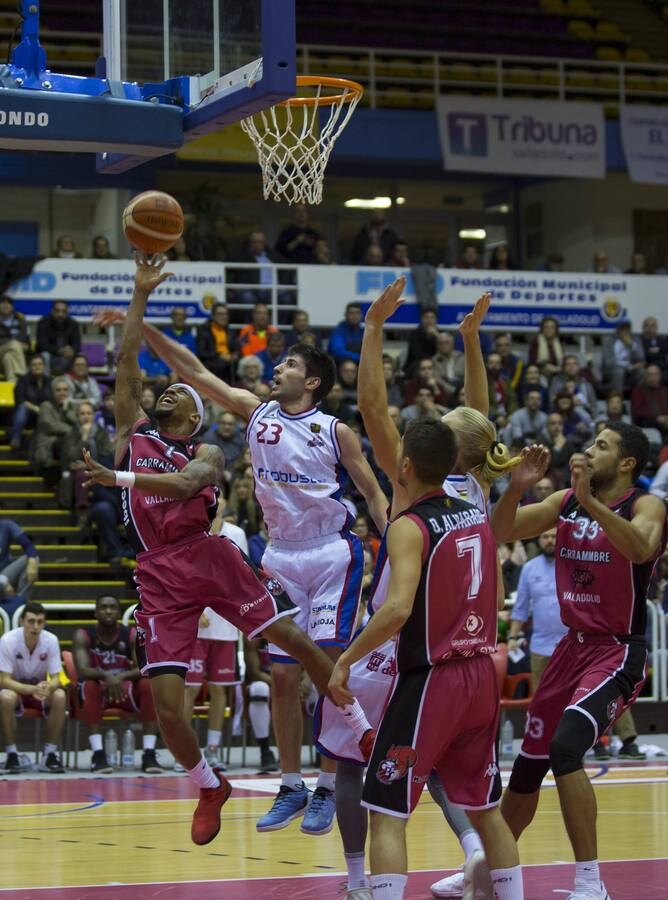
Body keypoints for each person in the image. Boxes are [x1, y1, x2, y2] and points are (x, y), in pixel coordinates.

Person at [91, 255, 377, 845]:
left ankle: (352, 741)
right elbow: (154, 367)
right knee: (213, 693)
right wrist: (138, 310)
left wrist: (397, 542)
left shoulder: (217, 452)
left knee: (308, 649)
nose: (173, 390)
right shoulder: (146, 432)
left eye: (290, 362)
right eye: (166, 390)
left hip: (272, 553)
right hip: (195, 567)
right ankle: (232, 783)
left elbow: (190, 484)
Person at [317, 282, 520, 900]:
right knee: (482, 804)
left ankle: (360, 872)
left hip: (410, 659)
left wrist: (374, 330)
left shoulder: (414, 502)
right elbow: (477, 416)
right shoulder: (477, 489)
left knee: (381, 793)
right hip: (479, 665)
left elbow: (375, 411)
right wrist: (470, 340)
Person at [491, 425, 667, 900]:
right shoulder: (566, 500)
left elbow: (640, 548)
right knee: (527, 768)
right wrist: (519, 487)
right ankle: (489, 868)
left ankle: (591, 881)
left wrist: (590, 502)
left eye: (602, 447)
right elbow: (501, 530)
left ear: (627, 463)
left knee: (565, 748)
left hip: (616, 649)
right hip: (571, 647)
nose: (589, 450)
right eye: (590, 443)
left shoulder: (645, 506)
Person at [72, 595, 161, 773]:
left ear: (119, 612)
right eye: (103, 607)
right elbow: (81, 670)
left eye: (112, 607)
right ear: (96, 612)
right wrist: (106, 676)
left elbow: (144, 668)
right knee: (90, 685)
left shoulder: (131, 634)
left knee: (147, 685)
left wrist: (119, 678)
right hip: (98, 691)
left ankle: (149, 753)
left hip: (124, 689)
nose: (108, 611)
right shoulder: (83, 634)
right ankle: (98, 755)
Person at [0, 602, 66, 773]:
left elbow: (57, 679)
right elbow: (4, 680)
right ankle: (12, 755)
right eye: (31, 621)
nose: (35, 626)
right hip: (16, 691)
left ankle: (49, 755)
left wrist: (48, 686)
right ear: (22, 621)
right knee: (5, 697)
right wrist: (31, 689)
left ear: (44, 623)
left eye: (40, 621)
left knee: (59, 695)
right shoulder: (7, 640)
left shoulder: (51, 640)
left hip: (39, 693)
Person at [508, 528, 567, 691]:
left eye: (554, 536)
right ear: (539, 540)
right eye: (545, 537)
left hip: (570, 646)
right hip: (540, 647)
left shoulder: (574, 566)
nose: (549, 540)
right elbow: (521, 608)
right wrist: (512, 637)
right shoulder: (529, 568)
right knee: (541, 701)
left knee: (571, 700)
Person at [30, 377, 79, 471]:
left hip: (70, 442)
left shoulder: (72, 406)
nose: (62, 392)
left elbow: (78, 423)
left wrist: (66, 411)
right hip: (50, 443)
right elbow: (50, 426)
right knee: (69, 440)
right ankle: (66, 473)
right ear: (53, 392)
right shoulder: (45, 406)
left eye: (65, 390)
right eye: (58, 390)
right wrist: (72, 430)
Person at [9, 355, 51, 450]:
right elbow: (20, 400)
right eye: (34, 365)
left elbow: (52, 400)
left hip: (44, 414)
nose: (37, 367)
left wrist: (44, 409)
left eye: (40, 364)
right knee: (22, 408)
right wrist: (36, 408)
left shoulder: (49, 381)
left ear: (44, 366)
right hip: (27, 416)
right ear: (29, 367)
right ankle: (15, 438)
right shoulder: (23, 380)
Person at [0, 518, 39, 615]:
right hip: (2, 580)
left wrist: (32, 560)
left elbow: (28, 545)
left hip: (4, 573)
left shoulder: (6, 525)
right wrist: (3, 582)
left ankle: (21, 605)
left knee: (32, 559)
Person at [35, 300, 82, 376]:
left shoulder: (73, 324)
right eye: (57, 311)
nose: (60, 314)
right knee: (45, 355)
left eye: (64, 312)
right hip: (49, 355)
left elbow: (77, 344)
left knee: (79, 357)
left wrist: (72, 351)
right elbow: (42, 344)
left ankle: (72, 384)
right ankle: (46, 382)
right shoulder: (43, 322)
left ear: (67, 313)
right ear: (52, 311)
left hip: (66, 356)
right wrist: (59, 350)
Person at [196, 303, 237, 382]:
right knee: (221, 364)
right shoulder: (204, 330)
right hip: (213, 361)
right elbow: (201, 352)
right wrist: (219, 355)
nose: (224, 317)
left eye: (225, 314)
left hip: (230, 360)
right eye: (220, 314)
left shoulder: (230, 331)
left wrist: (235, 355)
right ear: (213, 316)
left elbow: (237, 348)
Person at [631, 364, 668, 436]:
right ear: (645, 376)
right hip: (648, 422)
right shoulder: (638, 391)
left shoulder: (665, 390)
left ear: (660, 376)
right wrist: (657, 418)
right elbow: (637, 411)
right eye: (650, 375)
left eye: (655, 374)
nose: (653, 377)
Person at [0, 295, 28, 383]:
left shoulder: (20, 319)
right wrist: (13, 343)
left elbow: (24, 335)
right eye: (2, 303)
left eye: (8, 303)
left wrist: (27, 345)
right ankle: (24, 373)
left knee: (8, 357)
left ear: (12, 307)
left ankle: (12, 384)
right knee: (14, 344)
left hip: (13, 353)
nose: (5, 305)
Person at [404, 307, 439, 375]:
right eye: (426, 317)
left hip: (436, 365)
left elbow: (445, 351)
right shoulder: (414, 334)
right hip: (416, 365)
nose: (429, 320)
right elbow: (416, 354)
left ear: (436, 320)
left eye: (432, 317)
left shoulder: (440, 334)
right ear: (421, 319)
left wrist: (436, 336)